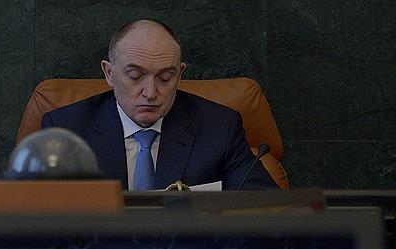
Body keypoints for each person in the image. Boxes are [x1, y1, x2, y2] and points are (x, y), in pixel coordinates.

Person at [41, 19, 278, 190]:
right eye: (135, 76)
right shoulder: (66, 130)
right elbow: (38, 215)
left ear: (180, 74)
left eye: (165, 78)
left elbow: (264, 209)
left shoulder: (220, 127)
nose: (151, 93)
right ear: (109, 73)